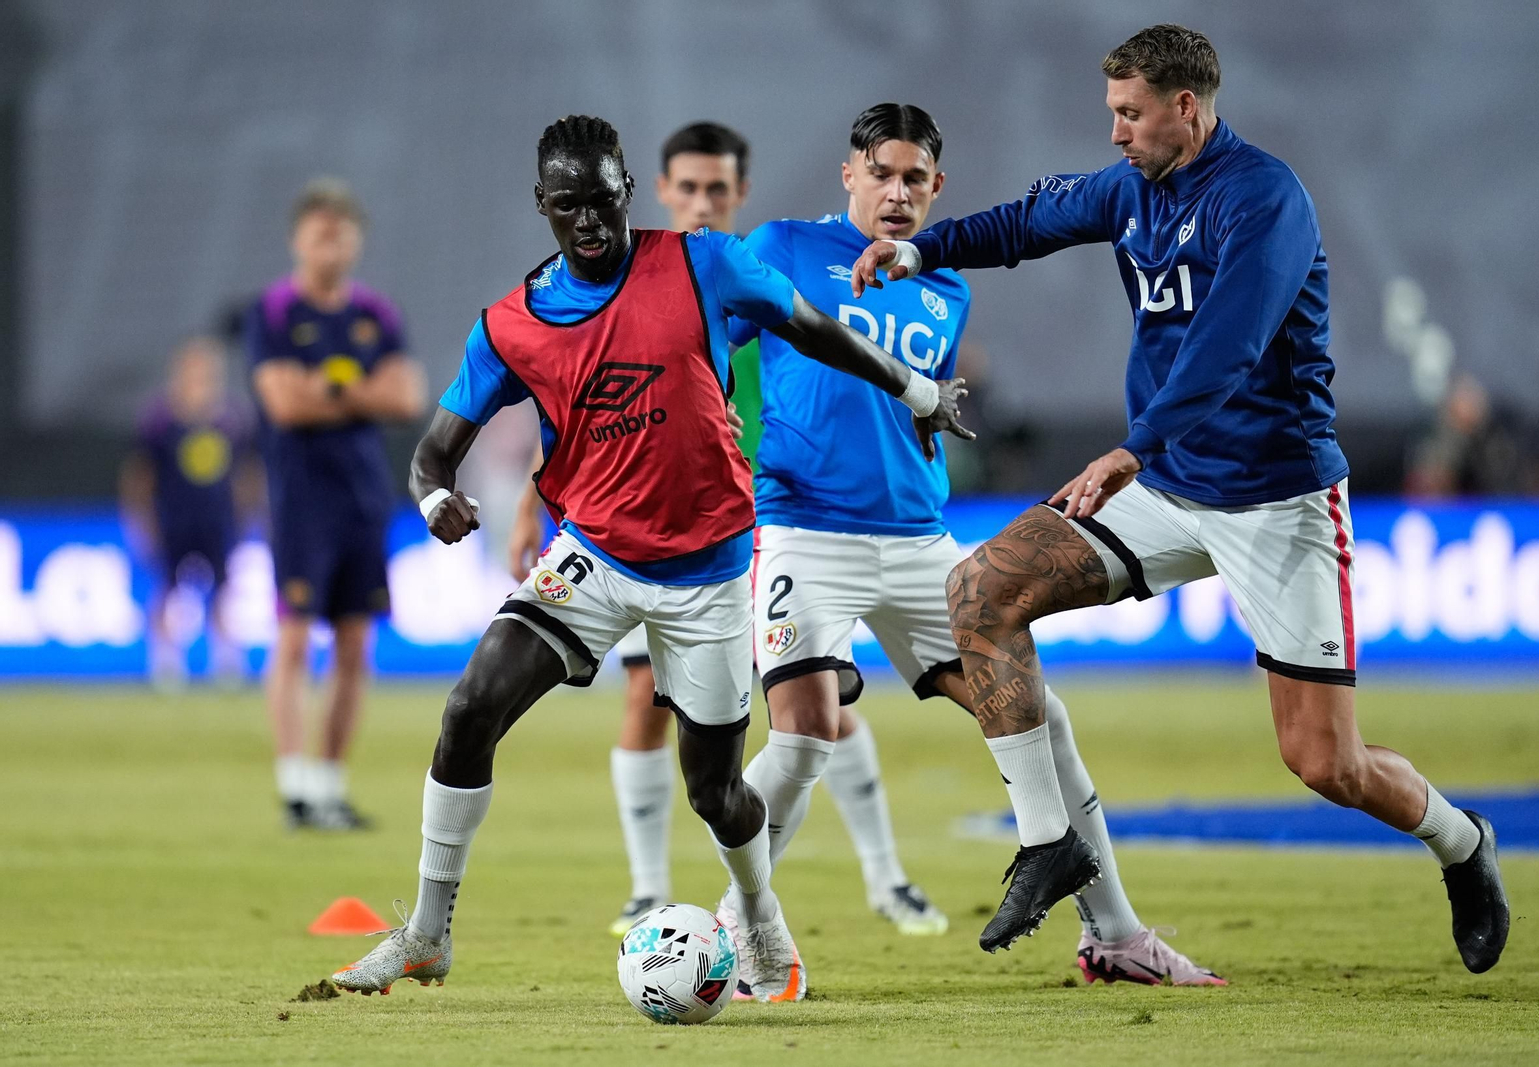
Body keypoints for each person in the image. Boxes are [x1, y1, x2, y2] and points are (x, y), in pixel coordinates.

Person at [851, 24, 1511, 973]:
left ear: (1185, 108)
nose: (1115, 132)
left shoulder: (1265, 200)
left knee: (1326, 763)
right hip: (1167, 485)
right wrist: (922, 253)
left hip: (1275, 500)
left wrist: (1130, 449)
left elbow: (1227, 351)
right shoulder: (1130, 190)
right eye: (1111, 112)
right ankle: (1049, 839)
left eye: (1129, 113)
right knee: (978, 593)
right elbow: (1024, 226)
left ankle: (1462, 840)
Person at [329, 115, 969, 1002]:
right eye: (568, 207)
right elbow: (433, 452)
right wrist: (438, 498)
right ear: (542, 206)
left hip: (710, 573)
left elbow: (813, 326)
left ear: (626, 190)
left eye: (601, 200)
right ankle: (427, 933)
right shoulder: (512, 326)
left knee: (716, 793)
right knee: (470, 707)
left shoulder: (704, 263)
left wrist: (915, 387)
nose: (589, 222)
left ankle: (757, 911)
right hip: (593, 555)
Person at [726, 102, 1218, 986]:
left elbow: (912, 415)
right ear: (850, 174)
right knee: (804, 739)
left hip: (919, 541)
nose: (898, 192)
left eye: (916, 178)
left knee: (1041, 715)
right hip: (803, 531)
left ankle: (1116, 934)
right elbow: (716, 347)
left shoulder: (945, 285)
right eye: (882, 172)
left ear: (938, 187)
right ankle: (738, 926)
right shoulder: (781, 247)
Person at [246, 179, 426, 830]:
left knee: (355, 644)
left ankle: (328, 784)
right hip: (300, 497)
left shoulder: (375, 312)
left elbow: (407, 397)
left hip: (362, 494)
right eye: (322, 231)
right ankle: (295, 784)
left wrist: (327, 387)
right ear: (299, 238)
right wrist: (359, 389)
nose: (333, 242)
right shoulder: (272, 311)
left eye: (343, 231)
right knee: (293, 634)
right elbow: (282, 403)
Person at [121, 336, 257, 689]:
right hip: (175, 519)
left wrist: (249, 516)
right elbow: (141, 475)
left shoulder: (231, 418)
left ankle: (226, 659)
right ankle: (165, 661)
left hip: (217, 519)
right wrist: (140, 521)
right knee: (167, 588)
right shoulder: (160, 420)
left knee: (223, 589)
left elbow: (245, 473)